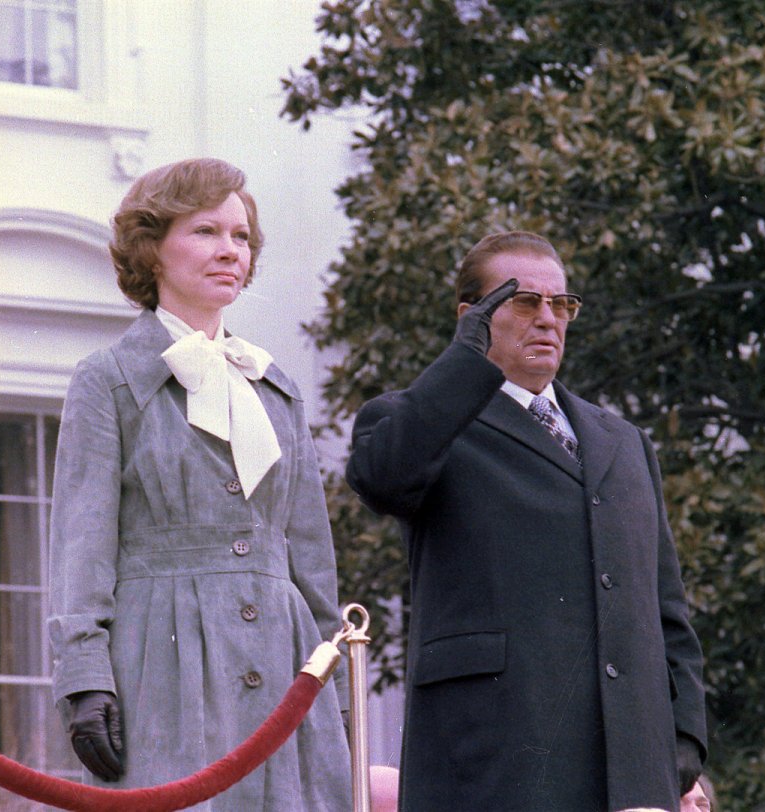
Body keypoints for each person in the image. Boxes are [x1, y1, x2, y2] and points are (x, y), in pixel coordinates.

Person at [346, 231, 708, 811]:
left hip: (633, 769)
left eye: (561, 304)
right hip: (494, 763)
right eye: (524, 301)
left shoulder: (623, 440)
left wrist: (685, 740)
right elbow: (380, 475)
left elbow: (666, 609)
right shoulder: (423, 420)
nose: (549, 319)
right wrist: (465, 360)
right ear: (473, 317)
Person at [47, 158, 351, 809]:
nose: (230, 252)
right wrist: (83, 675)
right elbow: (81, 544)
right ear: (152, 247)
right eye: (207, 231)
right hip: (163, 660)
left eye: (241, 237)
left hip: (284, 663)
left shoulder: (277, 389)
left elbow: (312, 563)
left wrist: (333, 688)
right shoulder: (108, 380)